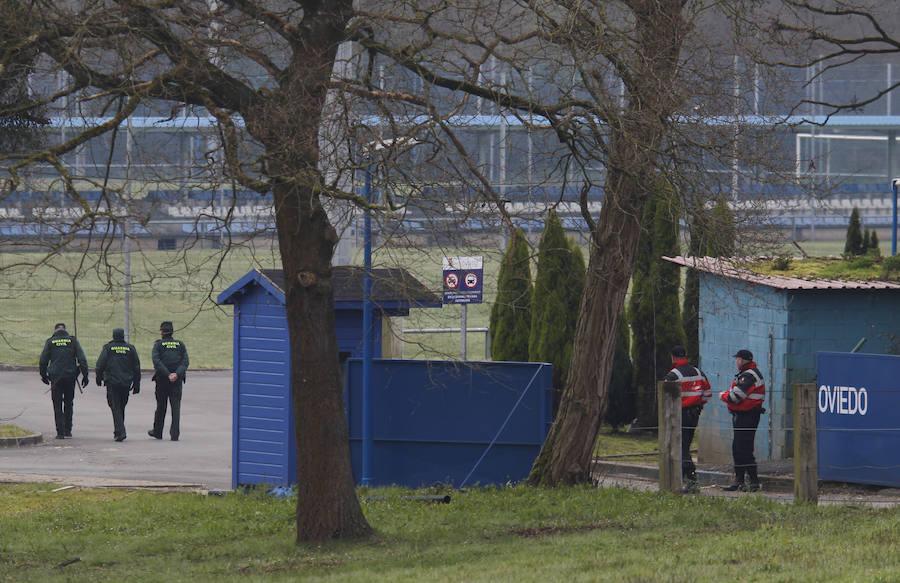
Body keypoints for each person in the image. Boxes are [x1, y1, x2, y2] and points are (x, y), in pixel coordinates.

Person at [664, 345, 712, 494]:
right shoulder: (699, 372)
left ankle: (691, 480)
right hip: (694, 414)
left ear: (673, 357)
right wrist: (697, 405)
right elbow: (707, 393)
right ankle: (687, 480)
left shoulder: (673, 375)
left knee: (681, 448)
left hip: (680, 415)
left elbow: (666, 398)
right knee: (685, 445)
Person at [720, 349, 766, 492]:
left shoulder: (748, 376)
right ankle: (739, 481)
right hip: (742, 416)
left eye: (737, 359)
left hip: (748, 417)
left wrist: (723, 395)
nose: (736, 361)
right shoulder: (745, 374)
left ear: (742, 360)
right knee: (738, 449)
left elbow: (735, 397)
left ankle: (753, 482)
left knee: (744, 449)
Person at [38, 323, 89, 439]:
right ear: (65, 330)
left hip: (55, 377)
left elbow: (43, 360)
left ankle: (60, 432)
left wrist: (43, 375)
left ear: (55, 331)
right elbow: (82, 359)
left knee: (57, 404)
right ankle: (68, 430)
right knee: (68, 402)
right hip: (70, 376)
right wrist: (85, 376)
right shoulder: (73, 341)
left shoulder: (50, 342)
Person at [95, 328, 142, 442]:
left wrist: (98, 378)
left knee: (115, 406)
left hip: (112, 381)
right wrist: (136, 384)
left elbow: (100, 364)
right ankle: (118, 431)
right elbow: (136, 367)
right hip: (126, 382)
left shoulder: (108, 348)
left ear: (113, 336)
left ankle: (120, 431)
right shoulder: (130, 348)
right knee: (121, 406)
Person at [148, 321, 189, 441]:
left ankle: (158, 432)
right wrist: (177, 373)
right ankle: (175, 434)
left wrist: (167, 374)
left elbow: (156, 361)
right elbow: (185, 362)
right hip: (177, 381)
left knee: (161, 406)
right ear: (172, 331)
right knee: (176, 408)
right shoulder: (180, 345)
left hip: (162, 380)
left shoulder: (158, 345)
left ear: (161, 332)